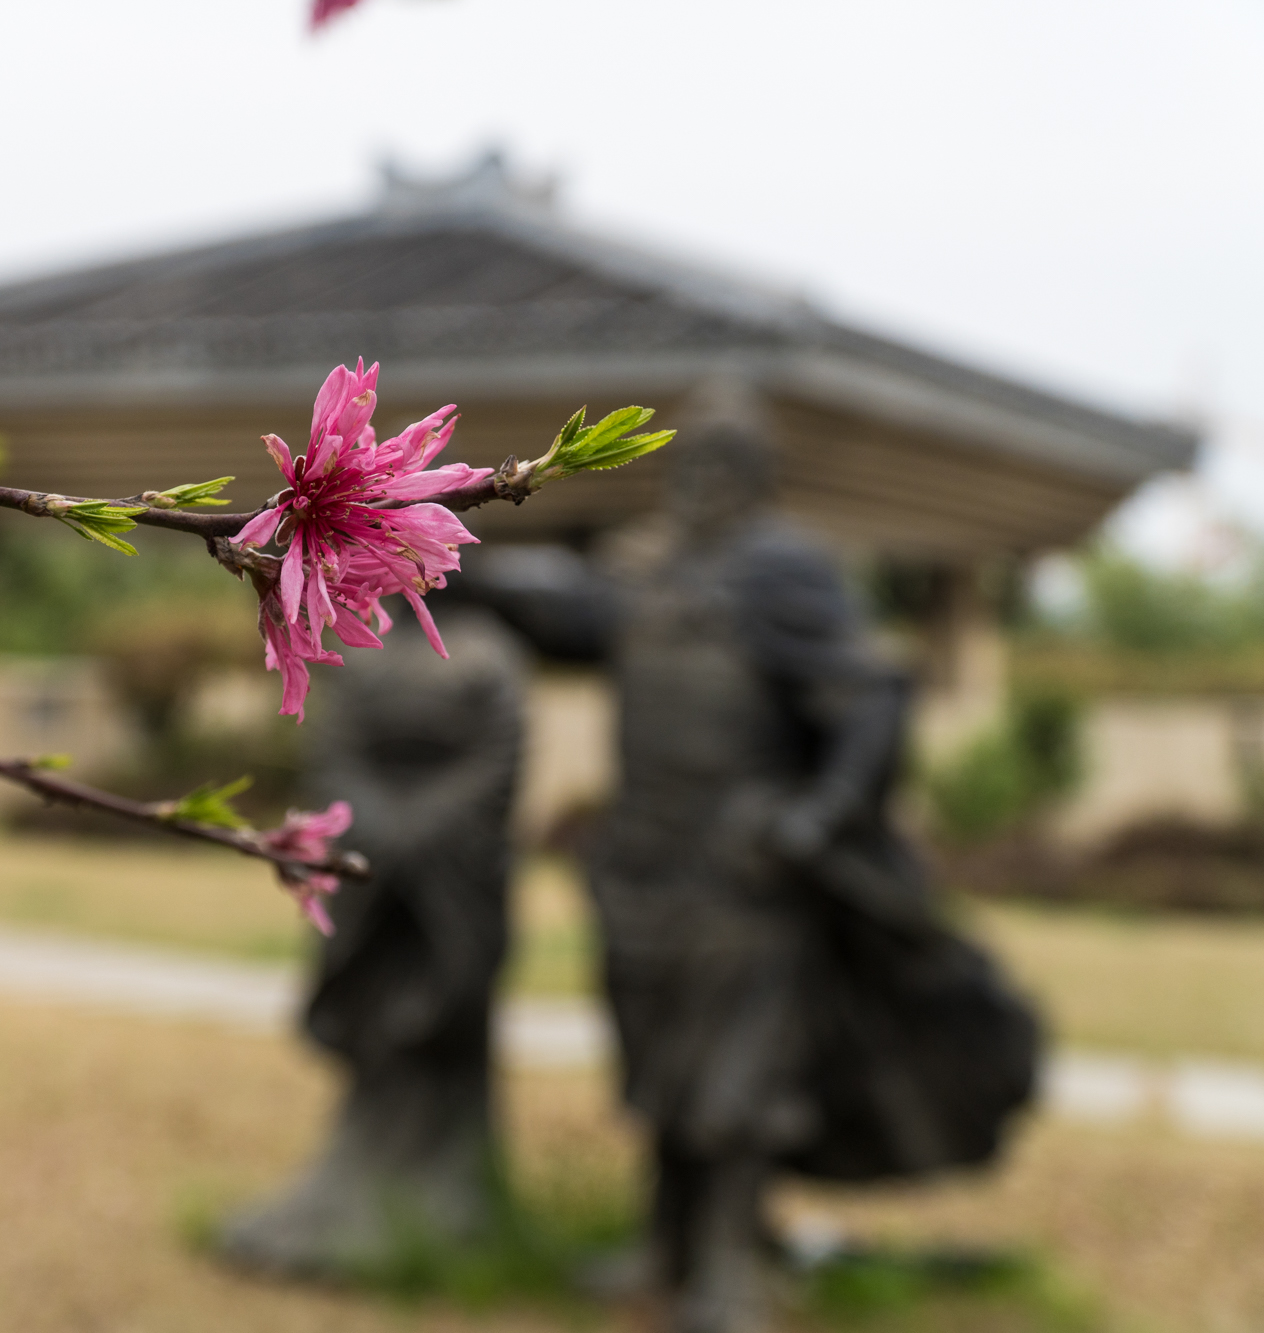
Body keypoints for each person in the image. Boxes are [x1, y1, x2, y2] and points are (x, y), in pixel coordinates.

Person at [488, 415, 1041, 1332]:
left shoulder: (784, 570)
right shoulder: (647, 568)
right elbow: (570, 610)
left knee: (740, 1069)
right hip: (643, 861)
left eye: (721, 466)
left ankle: (729, 1260)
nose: (697, 484)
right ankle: (665, 1242)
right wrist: (438, 552)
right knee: (659, 1059)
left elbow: (867, 699)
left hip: (741, 868)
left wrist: (813, 815)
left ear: (755, 477)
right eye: (688, 466)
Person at [218, 601, 526, 1276]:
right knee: (376, 1018)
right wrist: (381, 827)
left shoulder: (487, 651)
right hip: (373, 858)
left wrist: (423, 828)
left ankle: (451, 1196)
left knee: (439, 1021)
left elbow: (500, 757)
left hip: (454, 870)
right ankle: (352, 1181)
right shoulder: (359, 645)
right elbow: (332, 748)